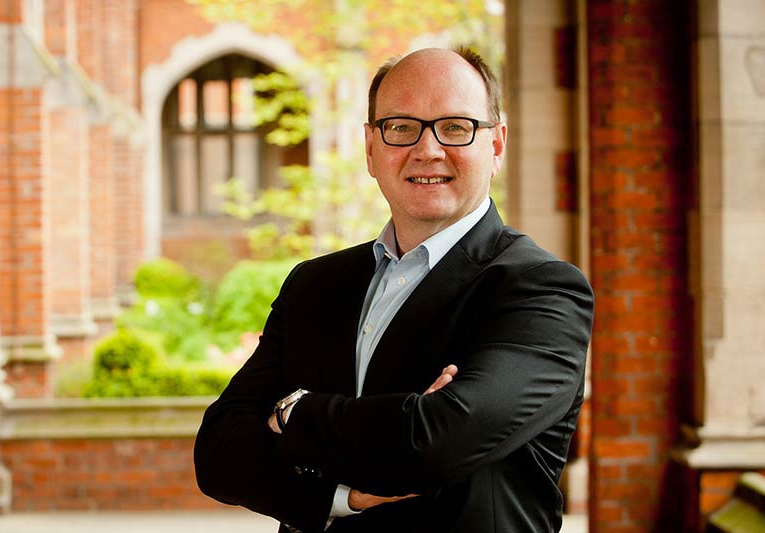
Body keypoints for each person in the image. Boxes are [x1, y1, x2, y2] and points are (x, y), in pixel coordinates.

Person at [194, 46, 594, 533]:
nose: (427, 150)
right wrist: (342, 496)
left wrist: (292, 411)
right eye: (401, 127)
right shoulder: (315, 285)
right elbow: (217, 452)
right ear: (370, 148)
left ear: (496, 145)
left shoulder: (541, 289)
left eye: (455, 127)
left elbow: (433, 442)